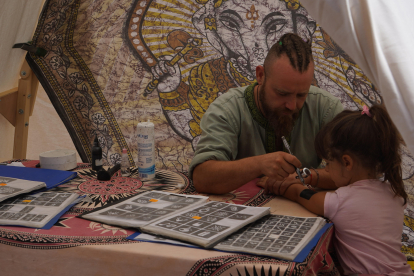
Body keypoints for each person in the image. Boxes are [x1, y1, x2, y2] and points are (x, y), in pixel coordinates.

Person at [258, 105, 412, 275]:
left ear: (347, 163)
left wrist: (277, 184)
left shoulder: (341, 201)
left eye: (329, 163)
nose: (327, 169)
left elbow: (298, 193)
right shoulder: (394, 192)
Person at [189, 33, 343, 194]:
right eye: (282, 93)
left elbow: (358, 173)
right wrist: (259, 164)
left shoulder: (326, 108)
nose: (291, 105)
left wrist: (307, 176)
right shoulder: (227, 110)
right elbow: (202, 178)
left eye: (301, 95)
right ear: (260, 75)